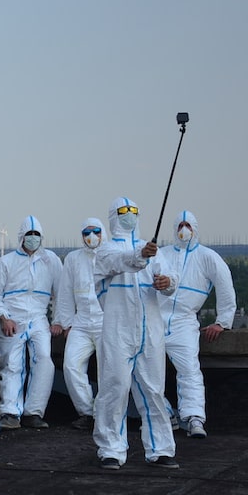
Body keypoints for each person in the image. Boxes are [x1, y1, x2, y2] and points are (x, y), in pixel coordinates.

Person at [93, 197, 179, 470]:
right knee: (114, 387)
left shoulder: (154, 251)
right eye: (123, 212)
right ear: (113, 216)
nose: (129, 216)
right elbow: (119, 263)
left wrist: (167, 283)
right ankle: (111, 450)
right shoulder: (106, 250)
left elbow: (171, 279)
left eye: (133, 212)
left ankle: (161, 449)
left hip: (150, 329)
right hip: (118, 329)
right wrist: (142, 255)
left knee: (153, 389)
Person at [157, 210, 237, 439]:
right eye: (180, 225)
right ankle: (163, 413)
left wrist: (223, 321)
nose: (184, 230)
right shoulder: (162, 255)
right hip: (155, 320)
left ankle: (194, 418)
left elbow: (224, 286)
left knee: (189, 369)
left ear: (195, 228)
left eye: (188, 225)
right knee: (143, 369)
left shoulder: (207, 257)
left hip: (184, 321)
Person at [0, 215, 63, 430]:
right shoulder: (6, 262)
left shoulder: (51, 261)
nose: (33, 238)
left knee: (44, 361)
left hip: (39, 317)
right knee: (12, 364)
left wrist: (58, 320)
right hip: (13, 317)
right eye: (29, 235)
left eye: (36, 234)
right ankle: (9, 412)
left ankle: (33, 412)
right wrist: (4, 317)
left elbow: (61, 293)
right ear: (21, 237)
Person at [52, 218, 107, 431]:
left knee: (107, 369)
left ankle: (105, 413)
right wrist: (65, 323)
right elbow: (65, 293)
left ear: (103, 233)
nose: (91, 236)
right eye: (86, 232)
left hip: (106, 320)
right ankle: (87, 412)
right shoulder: (74, 259)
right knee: (71, 365)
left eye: (96, 231)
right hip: (81, 322)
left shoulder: (111, 256)